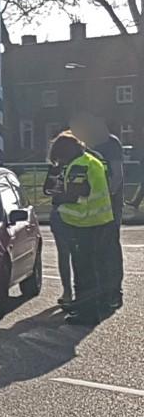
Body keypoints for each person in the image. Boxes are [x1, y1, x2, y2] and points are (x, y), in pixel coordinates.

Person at [48, 132, 116, 325]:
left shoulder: (79, 166)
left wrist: (58, 198)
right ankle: (98, 305)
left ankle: (86, 312)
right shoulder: (90, 160)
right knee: (96, 267)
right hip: (101, 220)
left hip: (85, 223)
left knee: (83, 270)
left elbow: (76, 193)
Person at [73, 113, 124, 310]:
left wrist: (106, 196)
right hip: (85, 210)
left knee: (109, 249)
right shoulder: (81, 144)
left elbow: (117, 175)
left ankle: (113, 292)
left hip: (108, 207)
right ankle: (92, 296)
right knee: (88, 253)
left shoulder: (110, 144)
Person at [43, 153, 75, 306]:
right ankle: (67, 291)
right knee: (64, 253)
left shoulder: (78, 167)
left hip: (76, 214)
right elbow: (46, 189)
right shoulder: (55, 169)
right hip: (59, 213)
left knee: (76, 255)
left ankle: (77, 291)